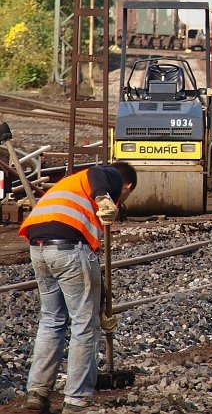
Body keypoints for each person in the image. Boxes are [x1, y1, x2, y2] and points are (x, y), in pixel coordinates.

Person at [20, 160, 137, 413]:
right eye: (124, 196)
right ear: (127, 186)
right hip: (69, 247)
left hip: (38, 247)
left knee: (52, 320)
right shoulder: (109, 177)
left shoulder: (71, 186)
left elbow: (90, 267)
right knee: (84, 326)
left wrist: (102, 306)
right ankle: (77, 400)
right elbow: (98, 172)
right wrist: (104, 197)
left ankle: (37, 393)